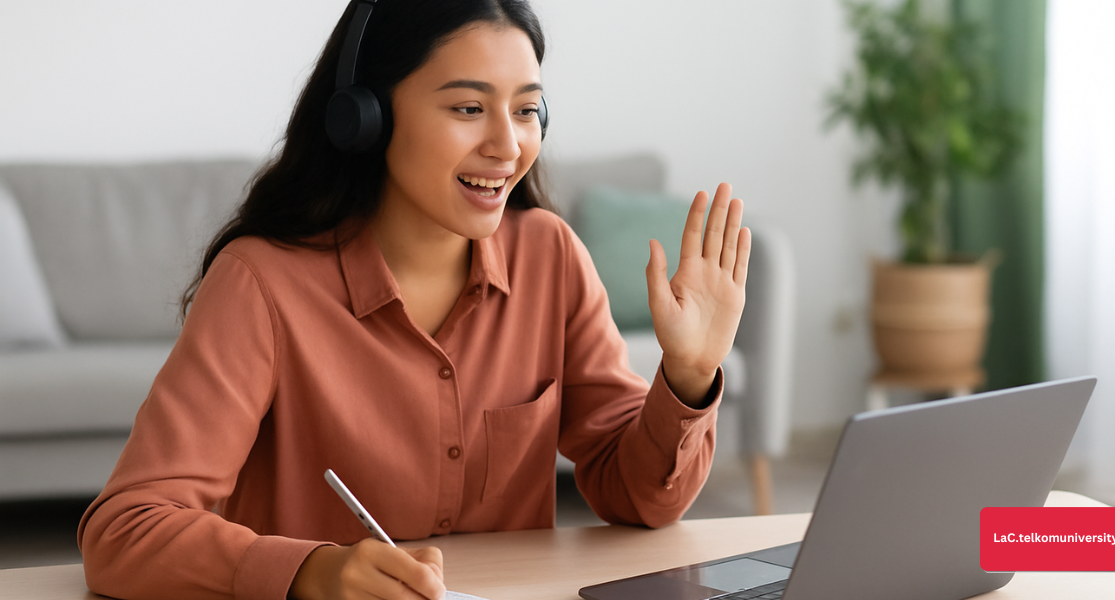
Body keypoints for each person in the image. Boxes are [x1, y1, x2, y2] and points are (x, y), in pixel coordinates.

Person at [77, 1, 751, 599]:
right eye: (467, 108)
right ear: (365, 118)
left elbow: (635, 496)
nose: (507, 145)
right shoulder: (261, 283)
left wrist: (687, 378)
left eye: (525, 109)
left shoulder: (549, 255)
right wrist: (311, 573)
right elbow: (124, 532)